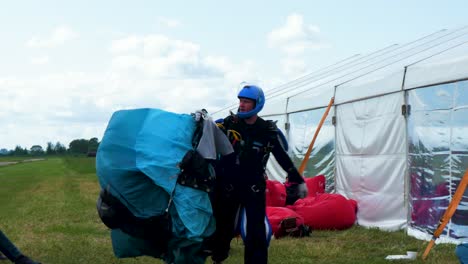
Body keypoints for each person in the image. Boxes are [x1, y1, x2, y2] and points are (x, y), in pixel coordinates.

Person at [211, 84, 308, 264]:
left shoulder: (267, 131)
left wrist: (297, 179)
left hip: (253, 186)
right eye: (240, 101)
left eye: (246, 101)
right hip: (229, 185)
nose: (241, 105)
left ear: (257, 104)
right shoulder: (227, 124)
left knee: (256, 231)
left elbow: (281, 156)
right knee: (222, 227)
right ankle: (218, 258)